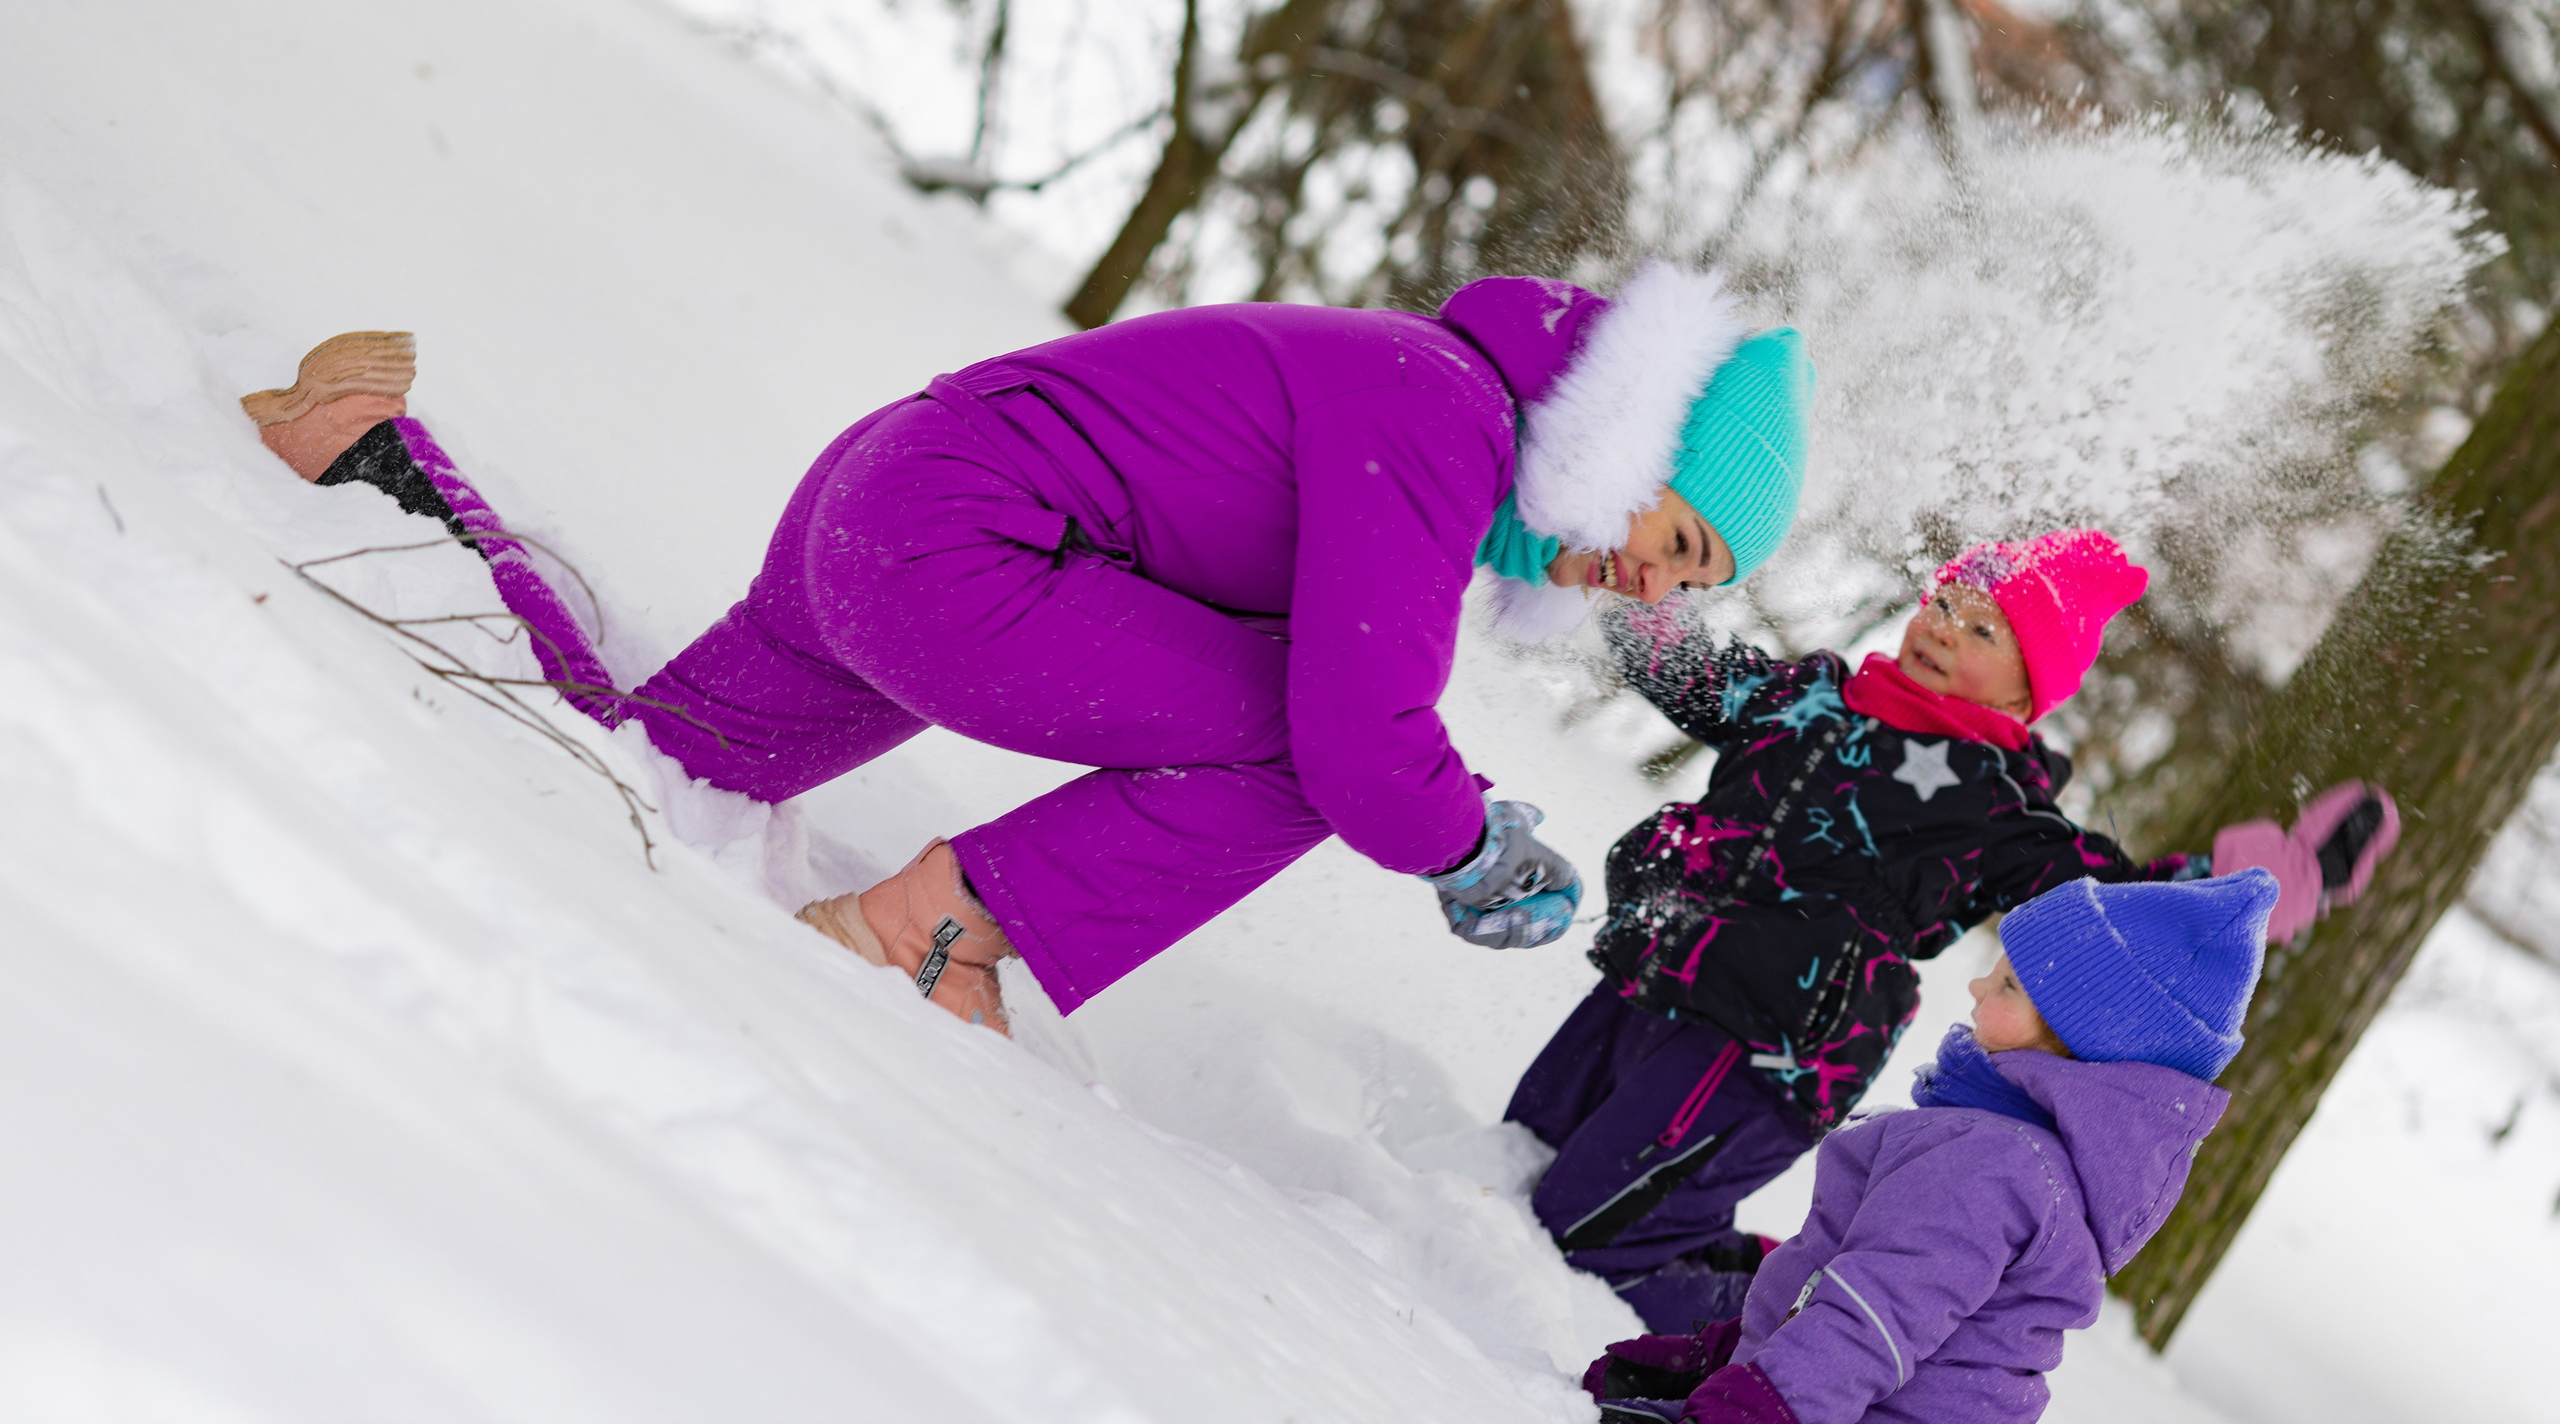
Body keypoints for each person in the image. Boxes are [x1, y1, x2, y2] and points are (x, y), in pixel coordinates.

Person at [239, 266, 1815, 1034]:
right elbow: (1353, 722)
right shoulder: (1440, 413)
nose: (1641, 580)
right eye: (1678, 536)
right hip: (955, 553)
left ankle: (381, 465)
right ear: (1644, 426)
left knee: (651, 756)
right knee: (1303, 757)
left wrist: (1442, 805)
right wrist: (1465, 838)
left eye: (1681, 580)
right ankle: (932, 932)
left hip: (893, 508)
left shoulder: (1425, 391)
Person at [1505, 530, 2398, 1330]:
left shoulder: (1992, 801)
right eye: (1943, 603)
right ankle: (1781, 1280)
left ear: (2028, 689)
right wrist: (1620, 571)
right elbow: (1694, 672)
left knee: (1588, 1236)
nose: (1941, 626)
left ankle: (1781, 1333)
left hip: (1765, 1050)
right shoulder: (1808, 696)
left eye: (1983, 630)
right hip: (1647, 980)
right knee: (1524, 1157)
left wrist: (2264, 885)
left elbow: (2121, 901)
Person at [1577, 867, 2283, 1424]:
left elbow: (1876, 1314)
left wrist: (1755, 1407)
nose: (1977, 983)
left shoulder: (1988, 1160)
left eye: (2007, 982)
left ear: (2079, 1042)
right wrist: (1730, 1356)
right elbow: (1861, 1286)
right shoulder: (2021, 1153)